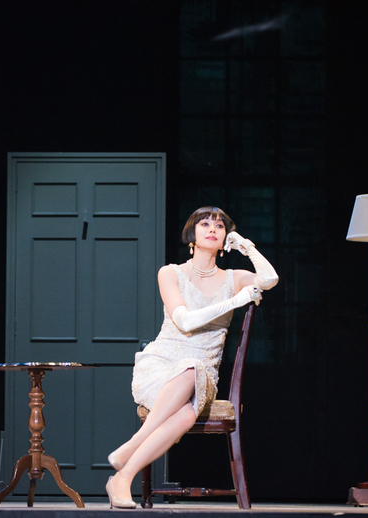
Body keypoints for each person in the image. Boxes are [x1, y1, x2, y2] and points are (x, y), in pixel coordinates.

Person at [104, 206, 278, 509]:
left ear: (226, 238)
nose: (213, 229)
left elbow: (270, 278)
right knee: (186, 403)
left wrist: (246, 246)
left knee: (190, 390)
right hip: (161, 365)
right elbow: (184, 322)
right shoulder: (171, 272)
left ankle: (124, 472)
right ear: (192, 235)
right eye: (205, 224)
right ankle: (126, 466)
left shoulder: (233, 277)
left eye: (220, 226)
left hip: (202, 374)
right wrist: (236, 301)